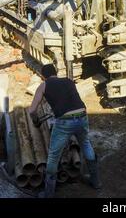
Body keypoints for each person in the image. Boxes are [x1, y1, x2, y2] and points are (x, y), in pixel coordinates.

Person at [29, 64, 101, 198]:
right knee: (85, 144)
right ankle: (96, 182)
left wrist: (35, 121)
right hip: (82, 116)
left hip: (64, 122)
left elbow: (32, 110)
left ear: (43, 76)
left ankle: (48, 193)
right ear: (56, 72)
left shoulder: (43, 86)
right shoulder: (68, 81)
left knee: (53, 155)